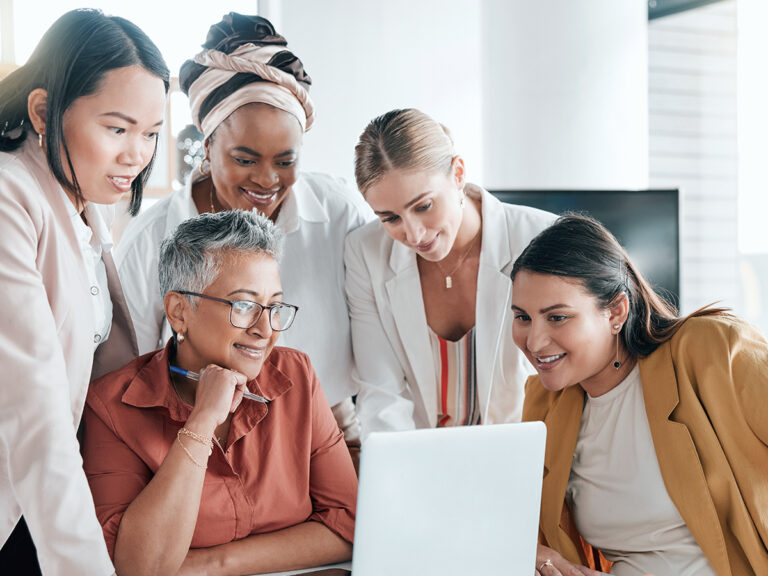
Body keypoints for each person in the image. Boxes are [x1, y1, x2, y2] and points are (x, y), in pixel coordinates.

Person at [116, 13, 372, 453]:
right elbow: (127, 368)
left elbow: (376, 342)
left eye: (286, 161)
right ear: (209, 144)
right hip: (200, 436)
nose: (267, 180)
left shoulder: (337, 213)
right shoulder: (152, 237)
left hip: (330, 433)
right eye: (246, 159)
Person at [82, 210, 357, 575]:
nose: (265, 329)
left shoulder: (297, 376)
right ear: (179, 312)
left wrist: (211, 564)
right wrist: (202, 422)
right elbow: (136, 566)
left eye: (274, 306)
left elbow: (349, 523)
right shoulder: (111, 406)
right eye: (243, 306)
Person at [0, 9, 168, 575]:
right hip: (22, 495)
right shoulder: (8, 198)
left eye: (150, 133)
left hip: (43, 502)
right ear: (45, 112)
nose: (136, 155)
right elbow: (34, 413)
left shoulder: (84, 201)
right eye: (117, 129)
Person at [510, 214, 768, 576]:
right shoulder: (546, 402)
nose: (534, 342)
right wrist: (540, 558)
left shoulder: (713, 349)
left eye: (557, 318)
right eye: (522, 317)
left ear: (616, 311)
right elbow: (532, 534)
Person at [345, 108, 554, 438]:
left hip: (529, 453)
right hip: (420, 459)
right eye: (390, 218)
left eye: (423, 206)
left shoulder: (541, 236)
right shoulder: (364, 252)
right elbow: (382, 394)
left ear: (458, 173)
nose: (413, 235)